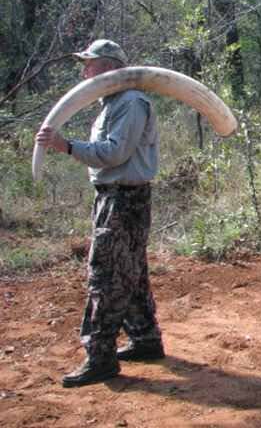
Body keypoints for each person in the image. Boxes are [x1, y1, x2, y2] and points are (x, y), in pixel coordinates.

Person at [35, 39, 164, 387]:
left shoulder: (130, 102)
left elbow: (113, 153)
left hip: (124, 199)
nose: (84, 71)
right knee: (130, 270)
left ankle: (100, 356)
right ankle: (145, 339)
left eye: (89, 64)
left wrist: (67, 146)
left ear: (108, 67)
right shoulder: (112, 103)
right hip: (116, 196)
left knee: (106, 275)